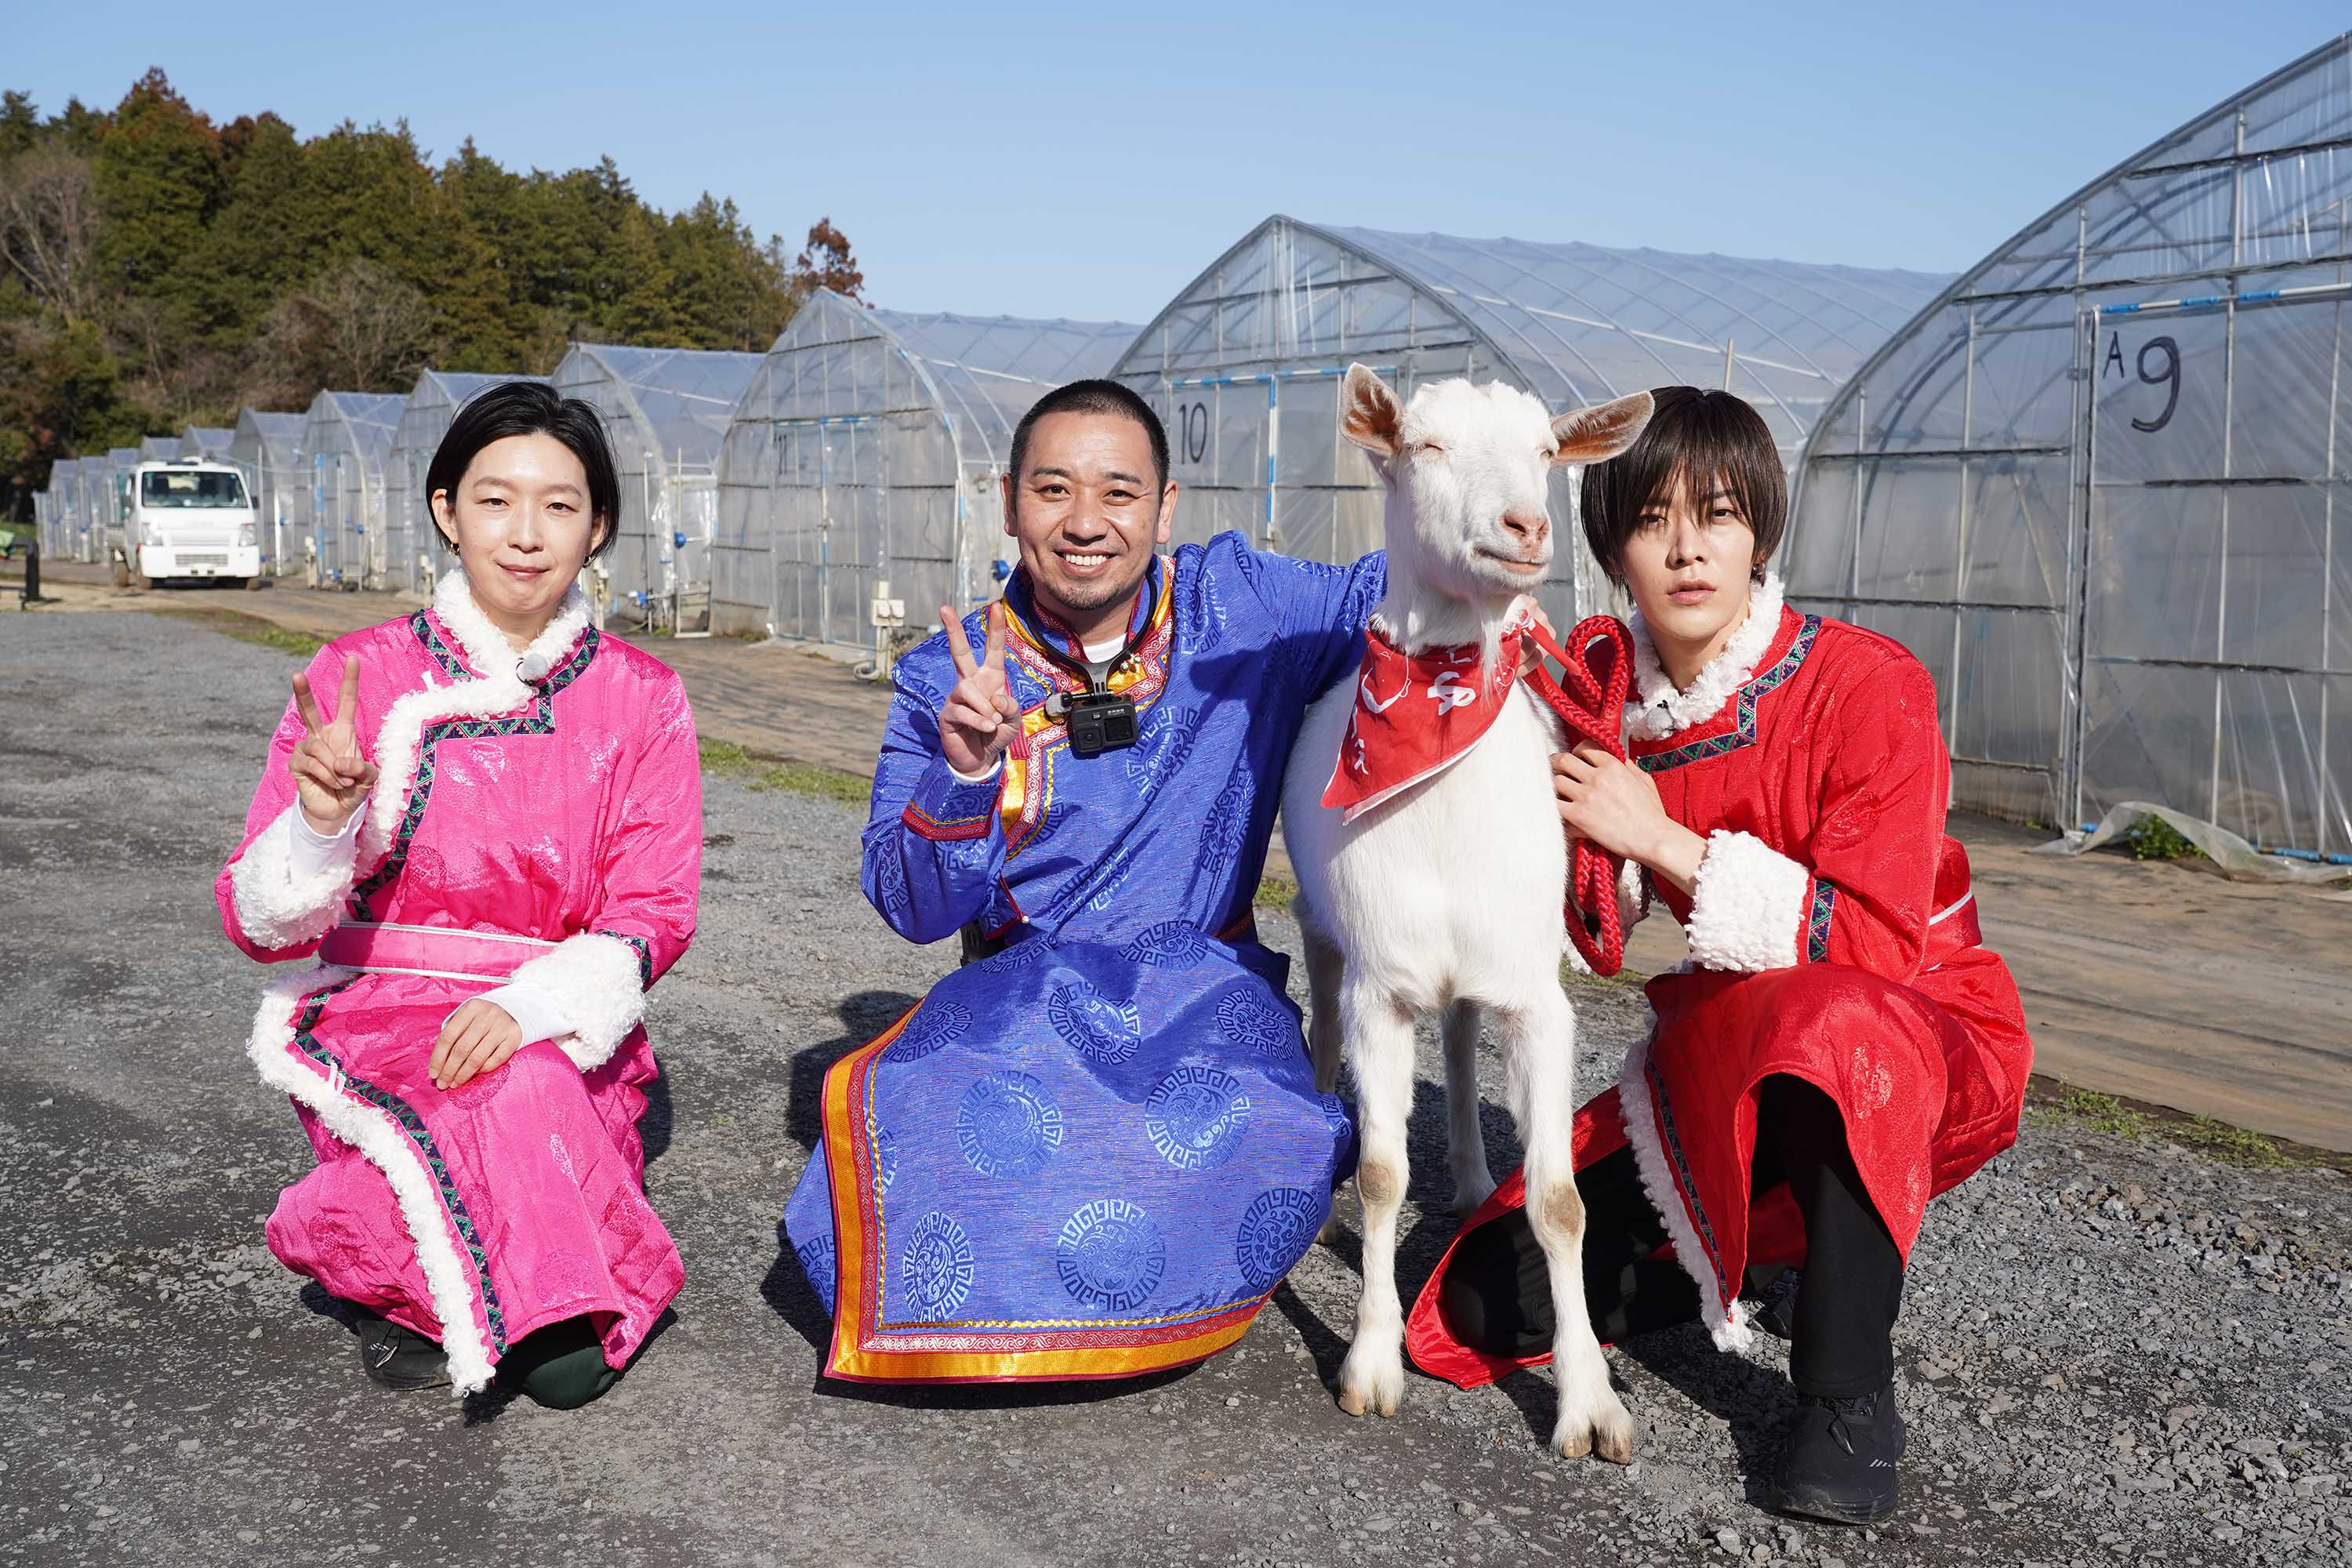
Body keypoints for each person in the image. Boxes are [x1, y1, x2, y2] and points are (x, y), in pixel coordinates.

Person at [1403, 387, 2032, 1526]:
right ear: (1611, 545)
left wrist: (1655, 836)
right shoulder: (1608, 710)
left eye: (1722, 513)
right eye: (1653, 520)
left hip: (1914, 1041)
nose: (1689, 547)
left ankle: (1847, 1396)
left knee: (1826, 1030)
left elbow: (1880, 946)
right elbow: (1587, 934)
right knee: (1474, 1306)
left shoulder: (1868, 684)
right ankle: (1749, 1257)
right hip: (1715, 1065)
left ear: (1763, 531)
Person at [783, 379, 1386, 1381]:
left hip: (1208, 990)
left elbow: (1398, 592)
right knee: (914, 1120)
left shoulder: (1241, 603)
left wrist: (1452, 477)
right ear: (1009, 499)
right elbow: (908, 903)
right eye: (1054, 490)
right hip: (1026, 995)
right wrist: (965, 772)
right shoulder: (950, 669)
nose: (1086, 523)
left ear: (1166, 506)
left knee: (1242, 1122)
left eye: (1119, 491)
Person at [216, 382, 700, 1407]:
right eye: (495, 500)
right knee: (557, 1340)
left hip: (549, 1013)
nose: (527, 534)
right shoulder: (360, 674)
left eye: (560, 505)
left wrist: (529, 1008)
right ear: (446, 509)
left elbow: (653, 905)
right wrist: (320, 821)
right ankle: (397, 1273)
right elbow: (261, 920)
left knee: (561, 1354)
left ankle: (429, 1274)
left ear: (599, 524)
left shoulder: (643, 695)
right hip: (381, 1010)